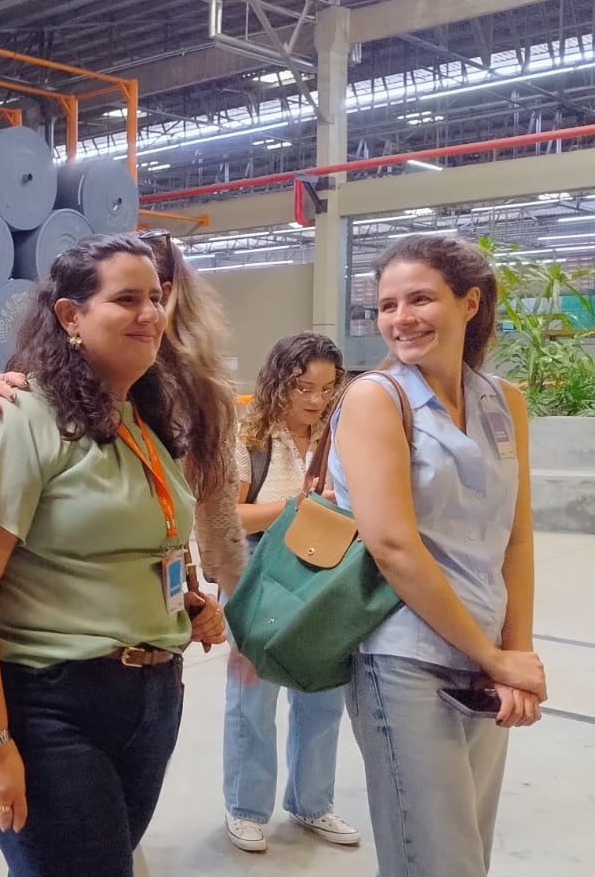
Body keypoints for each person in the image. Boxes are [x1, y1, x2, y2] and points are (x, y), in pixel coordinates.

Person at [0, 234, 229, 877]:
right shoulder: (18, 416)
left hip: (149, 697)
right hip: (48, 702)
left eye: (155, 298)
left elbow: (131, 548)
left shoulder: (139, 419)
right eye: (126, 299)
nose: (150, 314)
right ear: (70, 316)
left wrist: (184, 606)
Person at [330, 235, 545, 877]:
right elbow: (393, 547)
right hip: (405, 659)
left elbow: (516, 537)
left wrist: (514, 657)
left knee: (466, 854)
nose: (401, 318)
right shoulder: (375, 399)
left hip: (485, 657)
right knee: (434, 861)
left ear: (469, 303)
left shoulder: (504, 402)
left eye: (420, 299)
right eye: (386, 306)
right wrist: (494, 658)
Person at [222, 333, 359, 852]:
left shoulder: (341, 436)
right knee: (253, 696)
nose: (316, 399)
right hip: (262, 571)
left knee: (322, 693)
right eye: (304, 387)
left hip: (327, 575)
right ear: (279, 382)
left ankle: (311, 802)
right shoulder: (249, 436)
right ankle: (245, 808)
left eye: (327, 388)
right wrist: (297, 506)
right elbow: (231, 517)